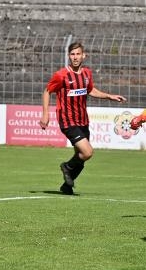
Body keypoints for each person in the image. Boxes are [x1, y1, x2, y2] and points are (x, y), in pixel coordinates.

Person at [39, 42, 127, 195]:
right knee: (87, 152)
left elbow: (90, 89)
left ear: (83, 55)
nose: (75, 57)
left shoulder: (86, 73)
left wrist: (109, 96)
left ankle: (66, 186)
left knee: (80, 157)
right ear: (69, 56)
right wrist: (45, 114)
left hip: (83, 120)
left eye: (78, 54)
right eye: (72, 54)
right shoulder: (61, 75)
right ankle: (66, 167)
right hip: (67, 120)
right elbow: (47, 91)